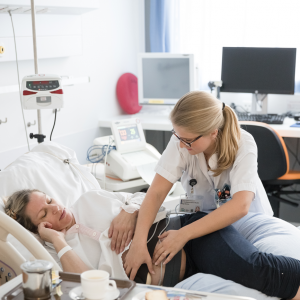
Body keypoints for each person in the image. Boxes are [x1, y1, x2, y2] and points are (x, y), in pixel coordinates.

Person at [122, 91, 300, 297]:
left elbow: (241, 205)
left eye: (187, 141)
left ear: (213, 133)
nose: (180, 145)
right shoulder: (181, 139)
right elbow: (155, 193)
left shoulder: (243, 143)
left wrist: (183, 235)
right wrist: (137, 242)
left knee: (254, 269)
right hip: (201, 222)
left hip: (243, 220)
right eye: (177, 136)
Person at [4, 188, 300, 299]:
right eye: (44, 214)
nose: (55, 208)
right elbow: (88, 283)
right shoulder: (59, 257)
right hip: (184, 275)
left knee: (257, 270)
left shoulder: (89, 199)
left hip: (189, 237)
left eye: (50, 200)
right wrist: (57, 240)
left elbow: (145, 197)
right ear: (39, 228)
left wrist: (130, 211)